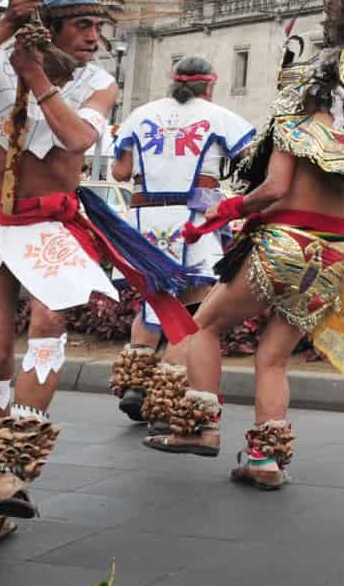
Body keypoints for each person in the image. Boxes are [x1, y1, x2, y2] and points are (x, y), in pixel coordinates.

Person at [0, 0, 210, 555]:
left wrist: (36, 79)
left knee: (52, 323)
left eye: (97, 27)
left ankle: (10, 464)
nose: (95, 37)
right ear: (47, 26)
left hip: (50, 224)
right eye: (82, 26)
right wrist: (7, 26)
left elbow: (78, 138)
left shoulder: (97, 83)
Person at [144, 0, 344, 489]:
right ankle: (265, 461)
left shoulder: (291, 130)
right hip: (330, 260)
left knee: (203, 326)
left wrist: (227, 209)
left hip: (282, 246)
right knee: (273, 359)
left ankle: (200, 427)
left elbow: (275, 189)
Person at [105, 54, 257, 424]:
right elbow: (251, 165)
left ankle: (136, 386)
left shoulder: (140, 114)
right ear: (210, 84)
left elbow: (120, 172)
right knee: (194, 310)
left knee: (152, 302)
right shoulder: (219, 116)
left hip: (143, 219)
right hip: (193, 220)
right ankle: (166, 390)